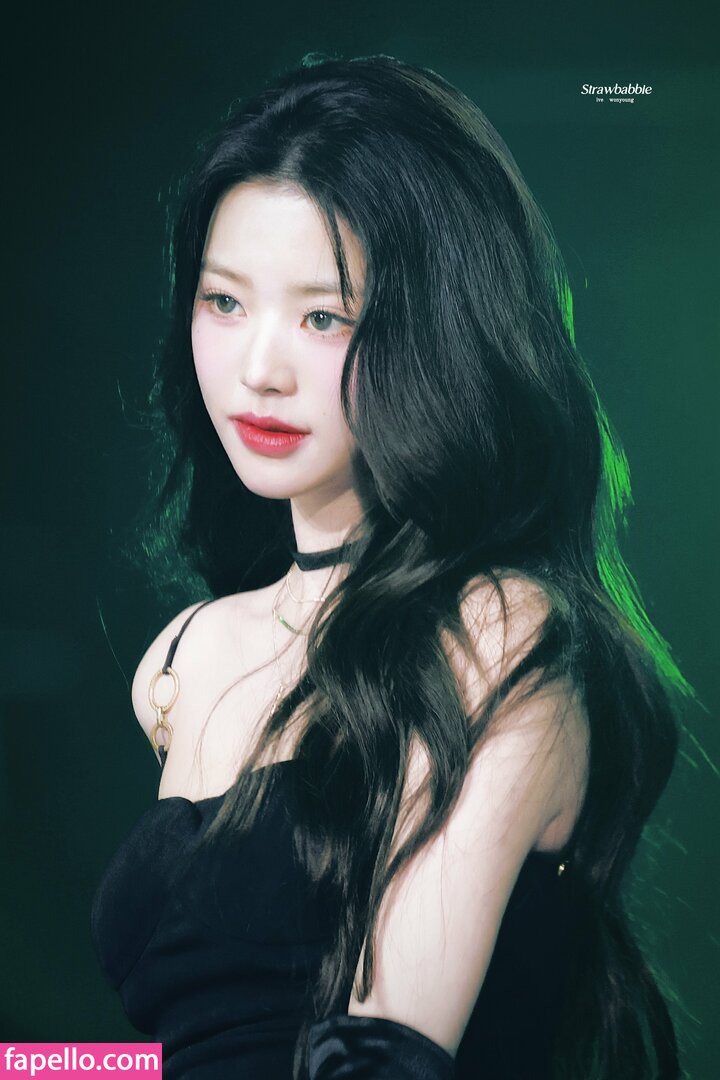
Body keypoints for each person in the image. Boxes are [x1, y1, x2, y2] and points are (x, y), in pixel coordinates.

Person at [91, 53, 689, 1079]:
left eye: (324, 317)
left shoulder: (496, 632)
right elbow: (168, 1051)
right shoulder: (179, 665)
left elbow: (385, 1052)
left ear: (437, 334)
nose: (259, 369)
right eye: (224, 302)